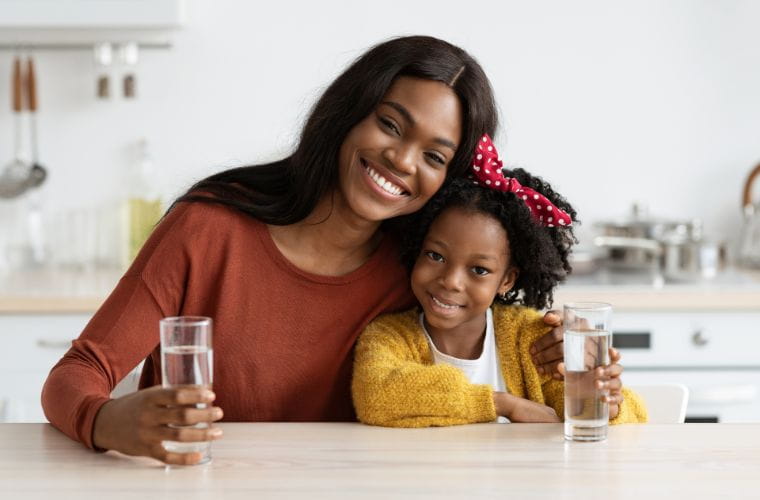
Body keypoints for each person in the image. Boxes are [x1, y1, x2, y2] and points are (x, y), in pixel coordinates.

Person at [42, 36, 567, 465]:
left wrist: (559, 356)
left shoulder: (419, 270)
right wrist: (106, 421)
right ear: (347, 113)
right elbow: (78, 373)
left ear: (448, 180)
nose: (403, 160)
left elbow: (497, 359)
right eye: (389, 124)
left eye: (434, 155)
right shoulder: (207, 230)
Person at [352, 137, 648, 426]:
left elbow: (634, 417)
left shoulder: (532, 341)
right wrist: (504, 405)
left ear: (507, 280)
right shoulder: (389, 336)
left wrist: (603, 401)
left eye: (479, 270)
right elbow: (376, 395)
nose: (451, 281)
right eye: (436, 256)